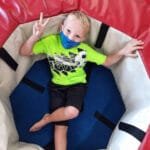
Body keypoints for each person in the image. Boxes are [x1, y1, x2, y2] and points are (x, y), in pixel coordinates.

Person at [20, 11, 144, 150]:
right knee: (60, 128)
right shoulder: (50, 42)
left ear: (83, 39)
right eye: (68, 31)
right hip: (56, 85)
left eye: (77, 36)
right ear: (62, 27)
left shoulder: (84, 50)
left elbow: (107, 61)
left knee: (72, 112)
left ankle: (47, 119)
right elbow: (24, 52)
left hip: (76, 85)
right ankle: (51, 118)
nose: (70, 38)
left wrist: (123, 51)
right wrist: (35, 36)